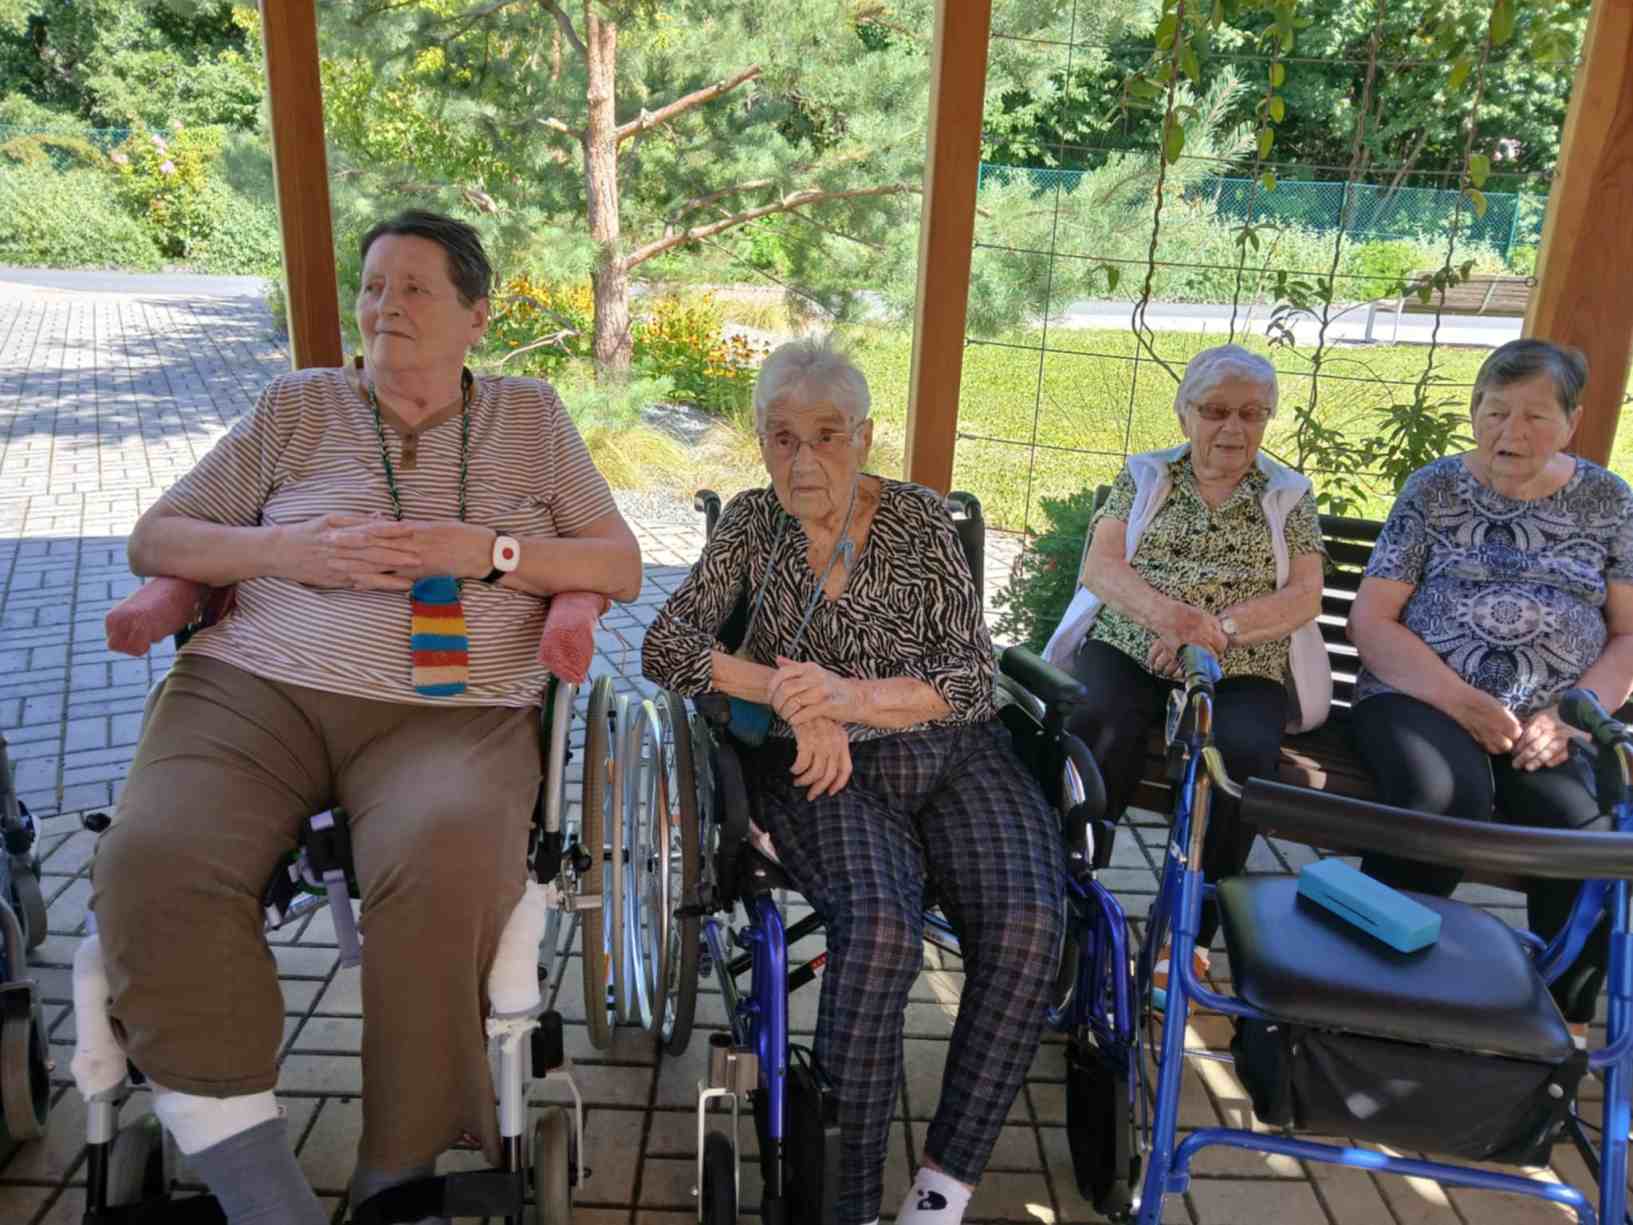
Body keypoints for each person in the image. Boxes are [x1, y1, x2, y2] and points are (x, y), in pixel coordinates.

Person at [90, 210, 641, 1224]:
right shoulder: (298, 404)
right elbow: (155, 537)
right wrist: (289, 553)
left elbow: (618, 563)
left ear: (477, 315)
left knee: (444, 856)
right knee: (154, 857)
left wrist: (490, 555)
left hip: (453, 712)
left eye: (415, 287)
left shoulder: (530, 417)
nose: (386, 306)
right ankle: (260, 1185)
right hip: (258, 687)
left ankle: (397, 1171)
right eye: (374, 285)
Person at [642, 338, 1063, 1225]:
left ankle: (942, 1191)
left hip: (952, 753)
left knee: (1030, 924)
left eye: (827, 435)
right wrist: (794, 698)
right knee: (878, 933)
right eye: (781, 436)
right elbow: (666, 645)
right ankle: (849, 1202)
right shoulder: (750, 525)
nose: (803, 459)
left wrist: (849, 696)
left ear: (864, 437)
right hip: (822, 768)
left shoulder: (920, 521)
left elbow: (969, 678)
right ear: (761, 439)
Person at [1349, 338, 1633, 1038]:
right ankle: (1364, 988)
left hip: (1549, 721)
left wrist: (1572, 716)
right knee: (1443, 798)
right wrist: (1459, 700)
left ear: (1571, 421)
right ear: (1474, 411)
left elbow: (1629, 635)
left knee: (1589, 831)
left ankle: (1554, 1028)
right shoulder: (1434, 488)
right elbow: (1372, 620)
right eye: (1495, 411)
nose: (1511, 431)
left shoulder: (1609, 501)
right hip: (1420, 695)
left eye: (1535, 415)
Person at [1042, 343, 1330, 988]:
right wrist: (1172, 621)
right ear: (1184, 414)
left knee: (1241, 756)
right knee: (1098, 723)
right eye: (1215, 411)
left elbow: (1305, 595)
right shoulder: (1145, 474)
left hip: (1241, 658)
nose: (1233, 428)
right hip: (1134, 641)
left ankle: (1188, 934)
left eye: (1252, 413)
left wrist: (1214, 632)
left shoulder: (1288, 493)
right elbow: (1102, 567)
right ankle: (1068, 895)